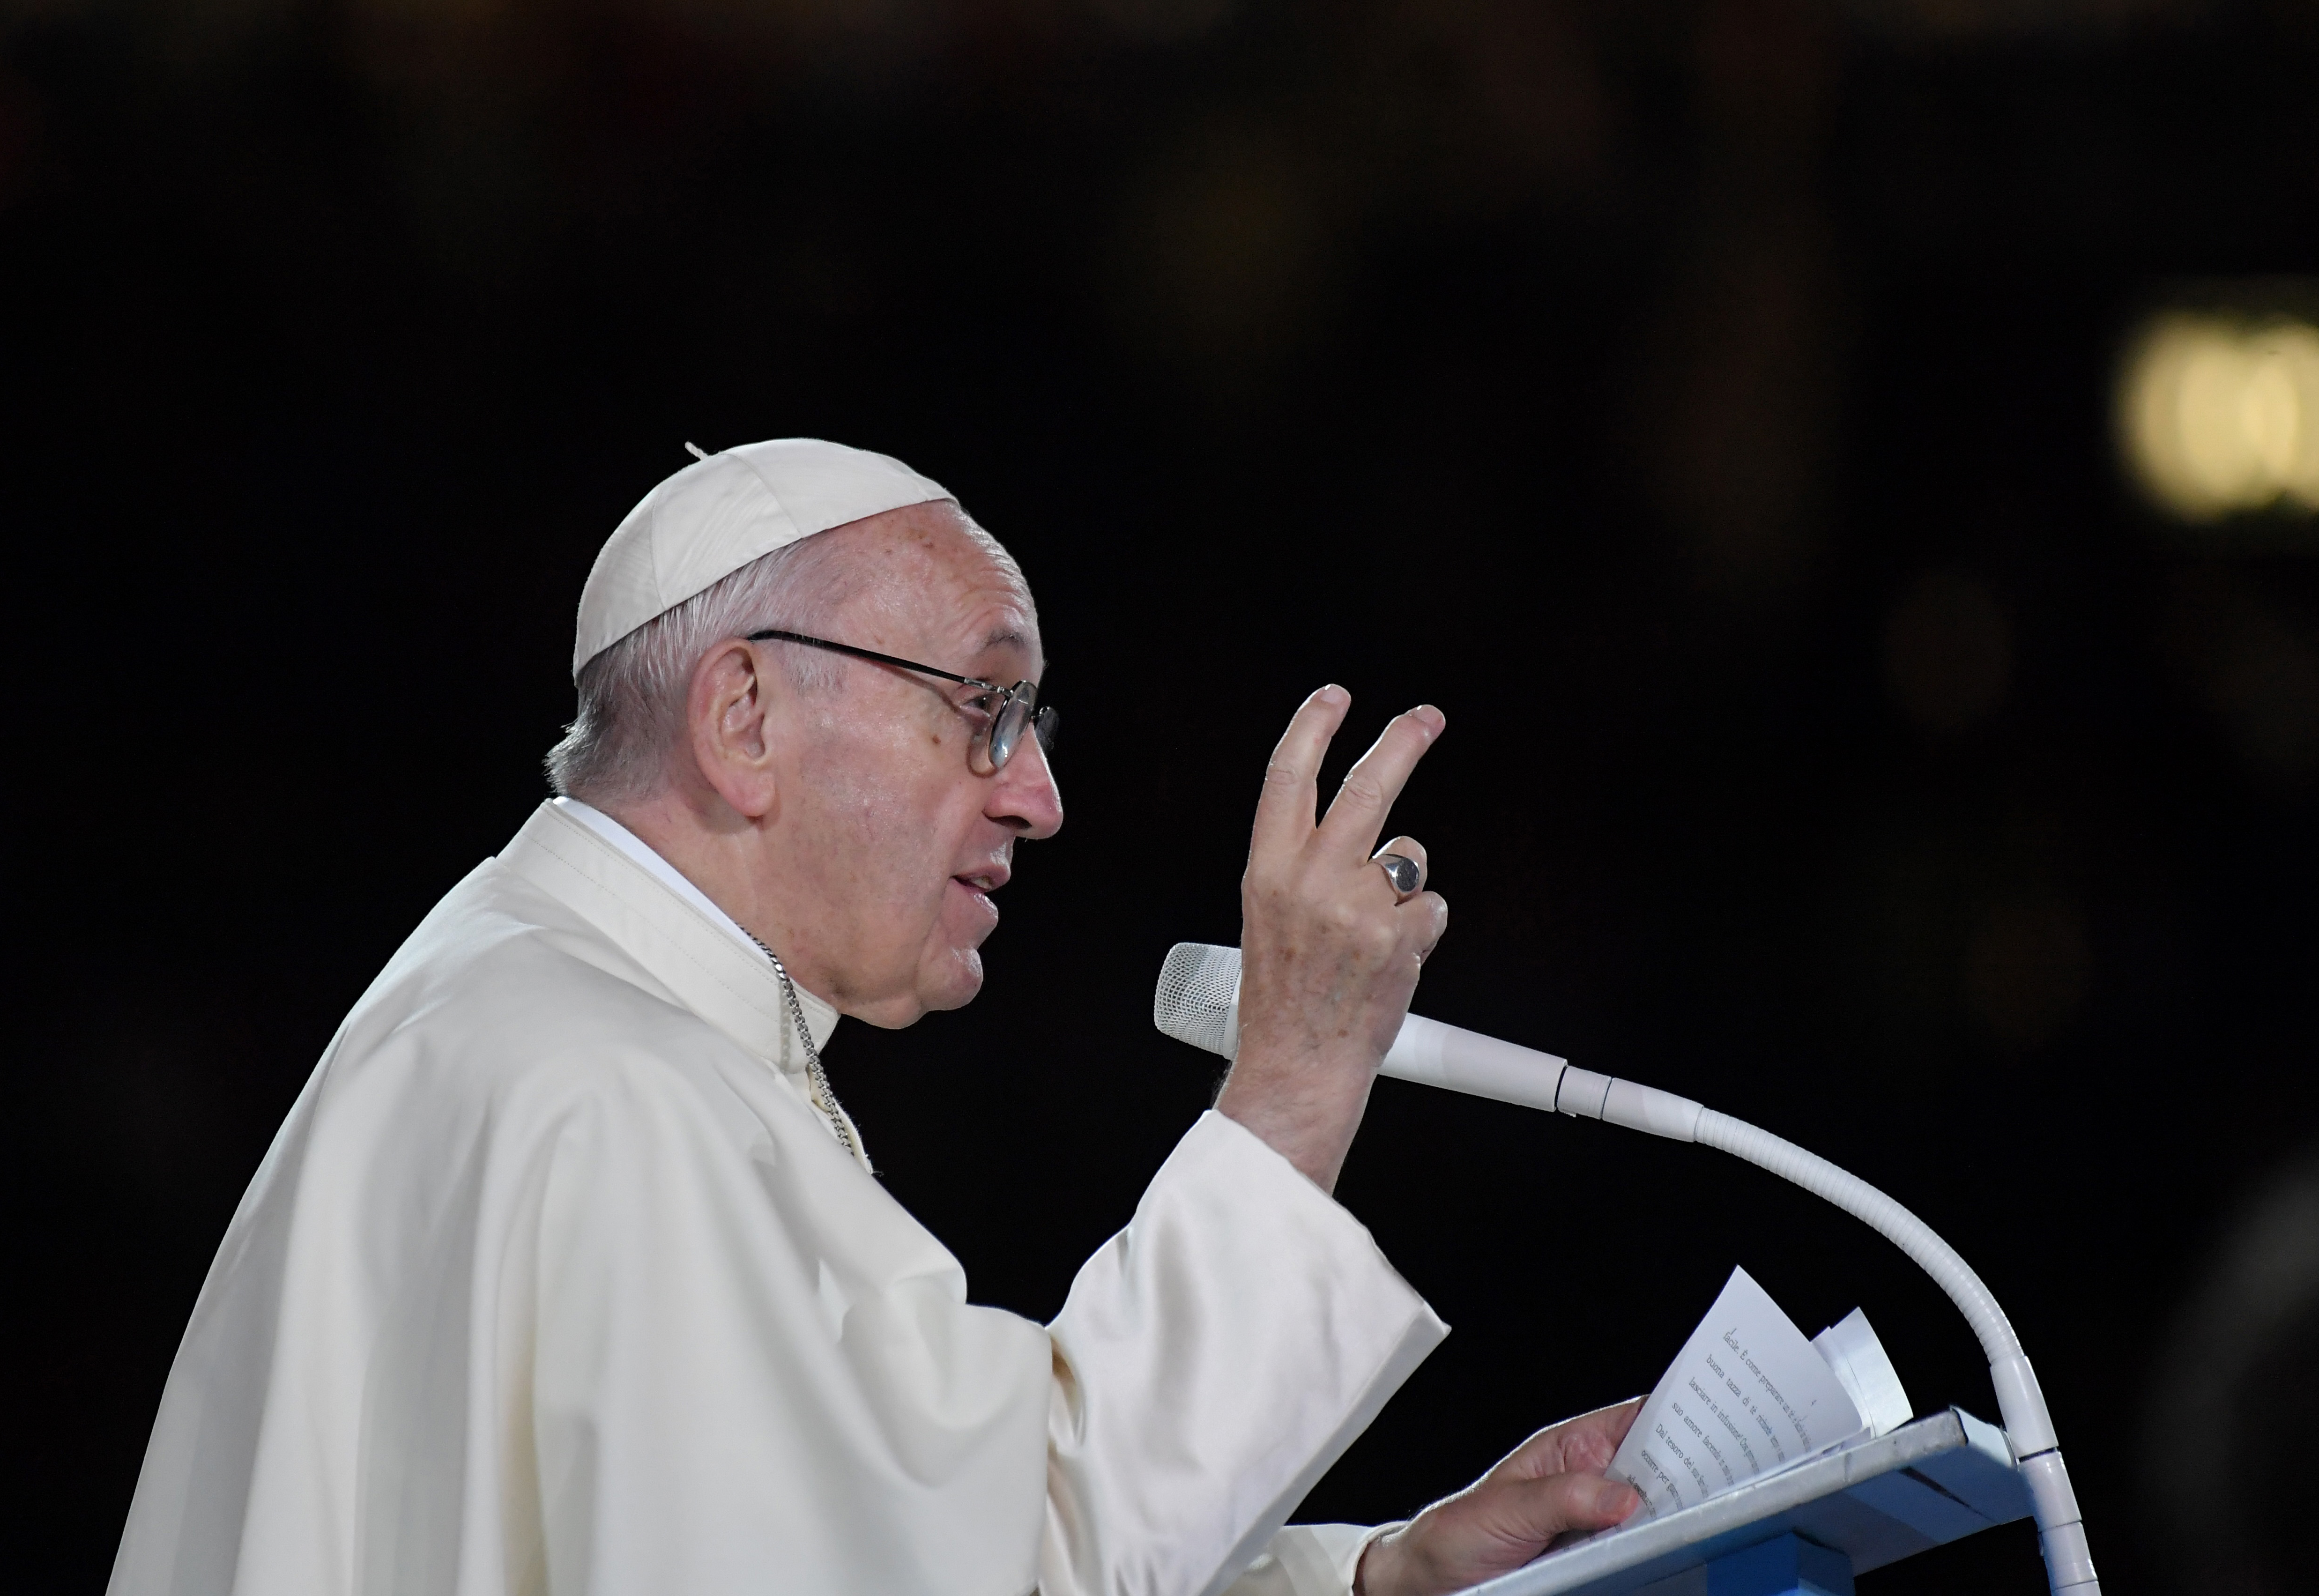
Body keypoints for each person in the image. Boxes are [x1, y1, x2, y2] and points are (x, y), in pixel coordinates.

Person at [108, 439, 1643, 1596]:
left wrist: (1388, 1574)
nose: (1038, 798)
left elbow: (942, 1547)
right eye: (985, 708)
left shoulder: (542, 1004)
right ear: (746, 719)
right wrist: (1298, 1083)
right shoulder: (609, 1089)